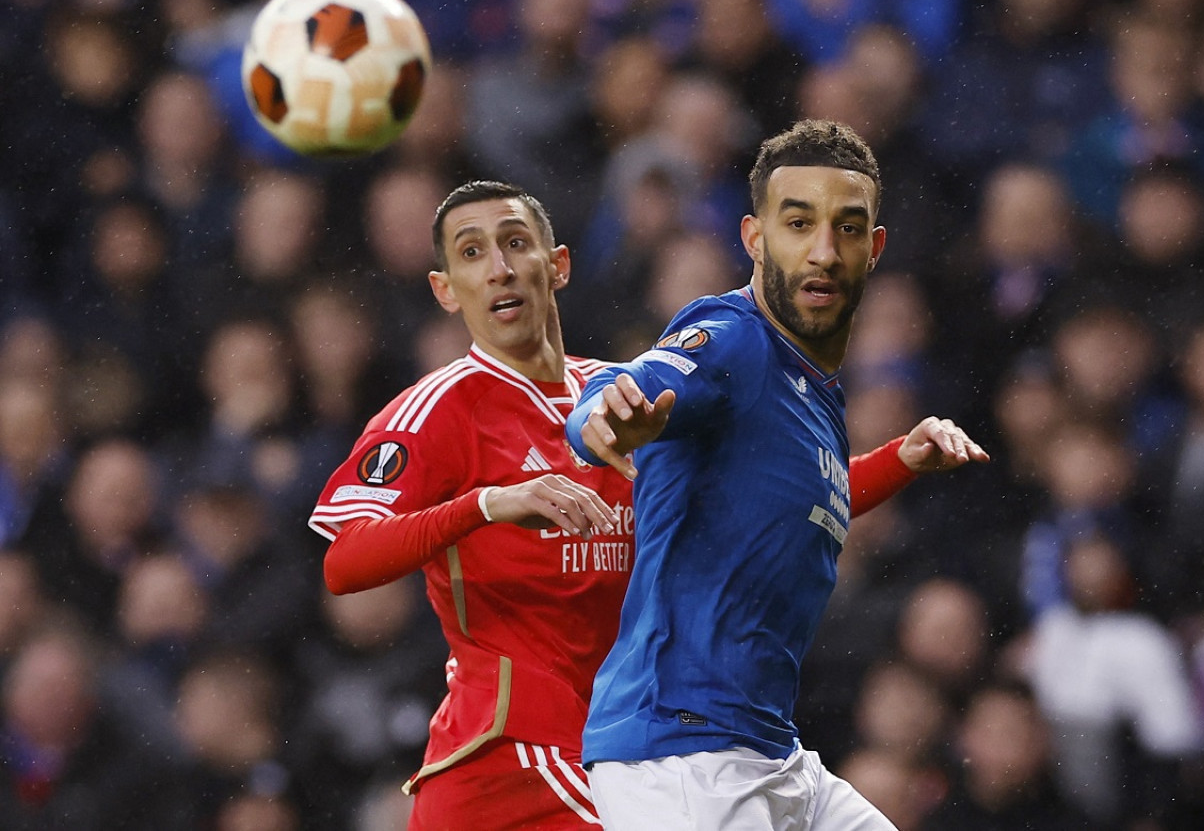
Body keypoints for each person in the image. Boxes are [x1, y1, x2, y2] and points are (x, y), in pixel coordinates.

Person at [566, 119, 989, 829]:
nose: (824, 252)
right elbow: (617, 396)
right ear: (755, 239)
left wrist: (902, 458)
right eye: (798, 224)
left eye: (847, 228)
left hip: (769, 752)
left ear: (874, 249)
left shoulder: (814, 389)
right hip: (681, 753)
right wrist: (603, 418)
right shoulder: (731, 337)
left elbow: (800, 498)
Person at [308, 180, 633, 830]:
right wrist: (484, 505)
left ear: (558, 264)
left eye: (515, 243)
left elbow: (769, 506)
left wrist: (898, 461)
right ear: (446, 289)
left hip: (617, 740)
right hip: (512, 756)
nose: (500, 268)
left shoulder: (624, 394)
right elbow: (345, 564)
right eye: (473, 252)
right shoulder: (437, 412)